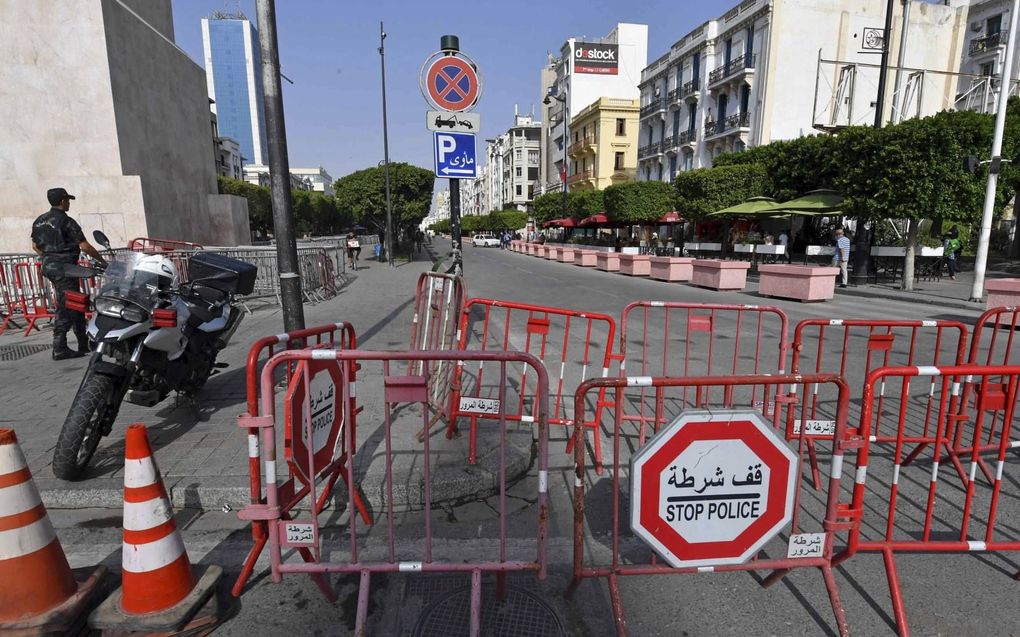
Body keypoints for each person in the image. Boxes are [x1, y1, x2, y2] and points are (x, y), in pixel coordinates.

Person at [30, 188, 106, 360]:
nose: (69, 203)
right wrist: (103, 262)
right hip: (65, 269)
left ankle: (83, 341)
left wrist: (49, 258)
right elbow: (85, 246)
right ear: (62, 201)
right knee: (65, 305)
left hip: (50, 266)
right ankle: (60, 347)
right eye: (67, 200)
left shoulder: (39, 221)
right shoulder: (67, 221)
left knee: (75, 301)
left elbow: (35, 246)